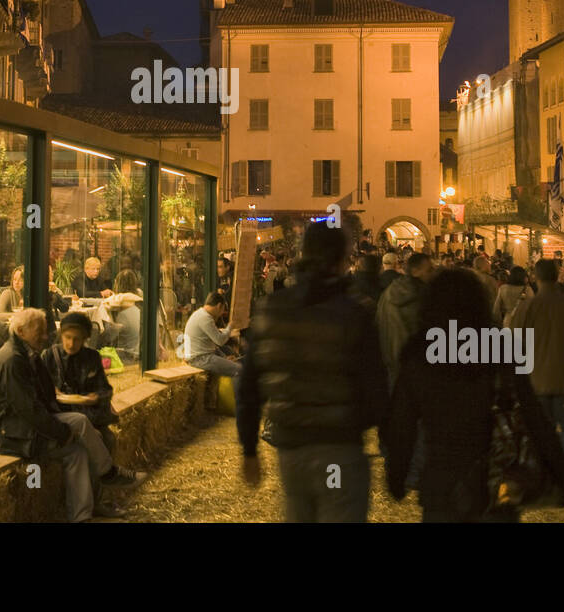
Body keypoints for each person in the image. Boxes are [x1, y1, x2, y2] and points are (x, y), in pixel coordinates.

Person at [383, 267, 562, 522]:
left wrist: (396, 474)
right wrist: (557, 467)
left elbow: (401, 424)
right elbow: (532, 413)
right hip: (496, 482)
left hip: (443, 483)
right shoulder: (498, 346)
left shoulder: (420, 353)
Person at [236, 221, 387, 522]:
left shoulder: (273, 308)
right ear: (341, 260)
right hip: (338, 451)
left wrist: (249, 448)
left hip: (292, 450)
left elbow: (249, 384)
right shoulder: (354, 313)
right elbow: (376, 386)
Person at [0, 308, 145, 522]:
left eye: (45, 331)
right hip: (9, 434)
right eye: (39, 331)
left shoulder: (28, 354)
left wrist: (71, 425)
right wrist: (63, 433)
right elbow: (29, 411)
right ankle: (105, 480)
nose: (45, 336)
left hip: (24, 425)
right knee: (77, 445)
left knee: (81, 431)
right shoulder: (13, 361)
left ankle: (84, 511)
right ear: (21, 331)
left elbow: (44, 399)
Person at [513, 258, 564, 467]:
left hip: (536, 380)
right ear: (557, 276)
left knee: (541, 430)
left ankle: (545, 470)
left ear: (535, 276)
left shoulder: (526, 308)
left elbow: (514, 346)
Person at [43, 312, 118, 456]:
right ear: (61, 335)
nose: (71, 344)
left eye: (76, 339)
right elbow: (38, 390)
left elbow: (106, 390)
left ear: (85, 339)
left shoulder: (92, 357)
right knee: (92, 438)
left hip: (88, 414)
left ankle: (103, 476)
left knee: (108, 439)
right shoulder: (49, 356)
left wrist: (95, 398)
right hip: (61, 415)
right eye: (68, 338)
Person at [377, 251, 434, 391]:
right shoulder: (422, 297)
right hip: (415, 366)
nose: (432, 273)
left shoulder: (389, 292)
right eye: (429, 270)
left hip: (389, 358)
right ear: (415, 271)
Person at [184, 293, 240, 376]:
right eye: (223, 309)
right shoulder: (205, 318)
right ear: (219, 306)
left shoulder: (200, 314)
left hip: (201, 356)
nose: (221, 314)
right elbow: (220, 340)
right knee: (239, 370)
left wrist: (224, 359)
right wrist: (230, 326)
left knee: (229, 353)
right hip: (200, 359)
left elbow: (214, 343)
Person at [108, 268, 142, 359]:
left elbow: (109, 337)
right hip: (140, 352)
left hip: (126, 355)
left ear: (117, 283)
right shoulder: (140, 302)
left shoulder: (116, 305)